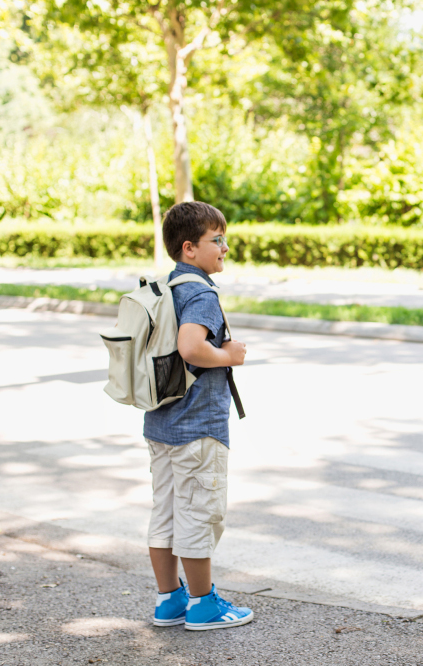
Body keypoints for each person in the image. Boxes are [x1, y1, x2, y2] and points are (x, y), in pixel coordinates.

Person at [142, 201, 252, 630]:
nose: (225, 247)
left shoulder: (167, 287)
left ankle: (169, 600)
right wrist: (230, 355)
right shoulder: (201, 292)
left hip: (161, 424)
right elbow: (191, 348)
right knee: (199, 514)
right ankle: (204, 605)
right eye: (217, 240)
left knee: (165, 513)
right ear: (190, 248)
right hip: (197, 429)